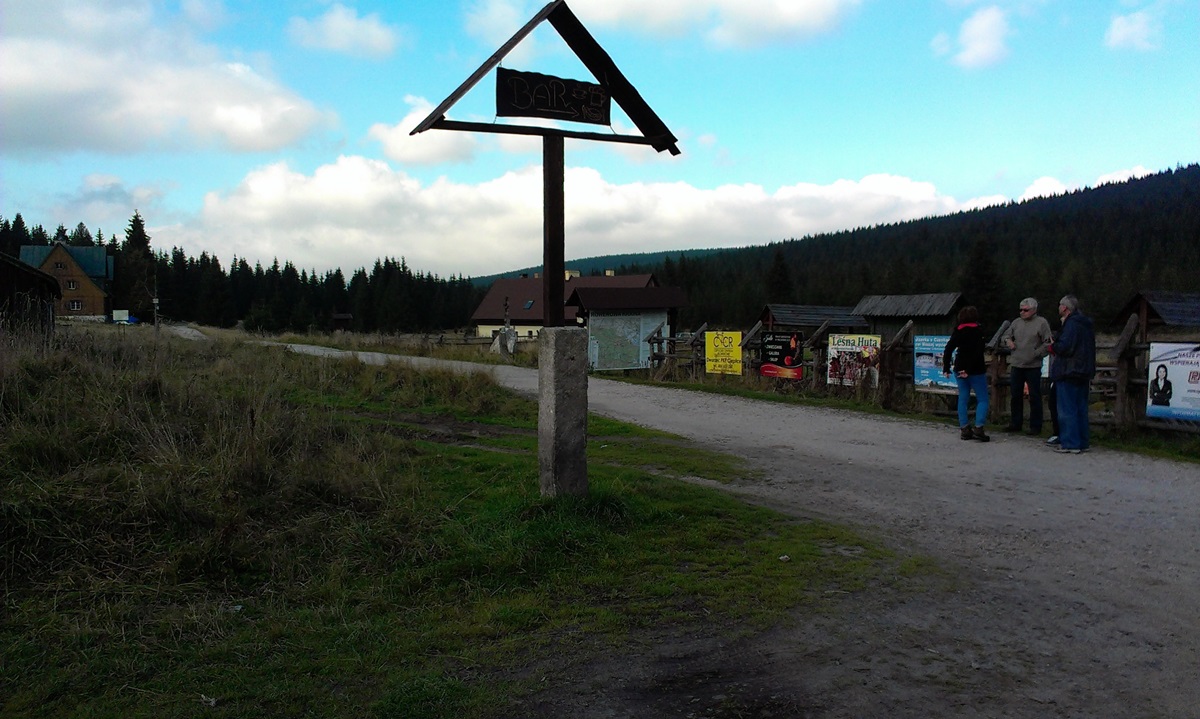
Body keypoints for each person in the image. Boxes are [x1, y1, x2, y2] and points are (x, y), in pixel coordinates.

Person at [1049, 295, 1096, 454]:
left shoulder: (1071, 325)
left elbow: (1065, 347)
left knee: (1066, 408)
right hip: (1084, 370)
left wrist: (1053, 346)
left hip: (1069, 370)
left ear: (1065, 308)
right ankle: (1082, 441)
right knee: (1080, 407)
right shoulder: (1085, 324)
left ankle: (1070, 443)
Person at [1001, 298, 1053, 435]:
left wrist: (1036, 353)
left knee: (1034, 396)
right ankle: (1015, 423)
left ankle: (1035, 426)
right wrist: (1008, 341)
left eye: (1025, 310)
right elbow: (1005, 335)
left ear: (1034, 310)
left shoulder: (1041, 323)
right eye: (1021, 309)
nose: (1022, 312)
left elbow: (1048, 342)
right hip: (1017, 364)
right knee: (1015, 395)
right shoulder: (1016, 322)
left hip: (1033, 366)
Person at [943, 305, 990, 442]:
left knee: (963, 398)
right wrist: (968, 369)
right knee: (982, 398)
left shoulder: (958, 331)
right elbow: (978, 352)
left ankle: (964, 428)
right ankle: (979, 427)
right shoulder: (978, 331)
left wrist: (946, 367)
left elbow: (948, 349)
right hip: (975, 369)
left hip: (959, 367)